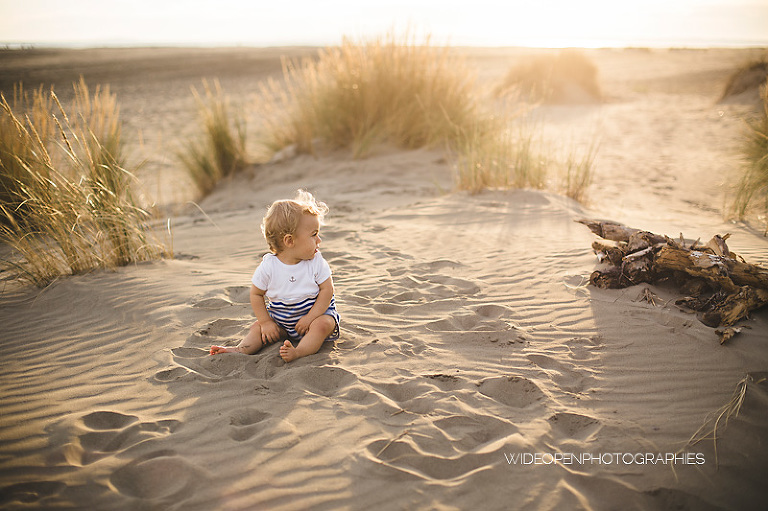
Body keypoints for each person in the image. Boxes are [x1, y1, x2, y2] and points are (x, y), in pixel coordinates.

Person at [210, 190, 340, 362]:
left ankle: (299, 352)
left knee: (324, 325)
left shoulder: (316, 262)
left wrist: (311, 317)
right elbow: (256, 294)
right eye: (314, 234)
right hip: (282, 320)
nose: (319, 240)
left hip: (315, 316)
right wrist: (266, 322)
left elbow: (327, 290)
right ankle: (240, 349)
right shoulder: (269, 266)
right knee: (257, 328)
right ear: (289, 241)